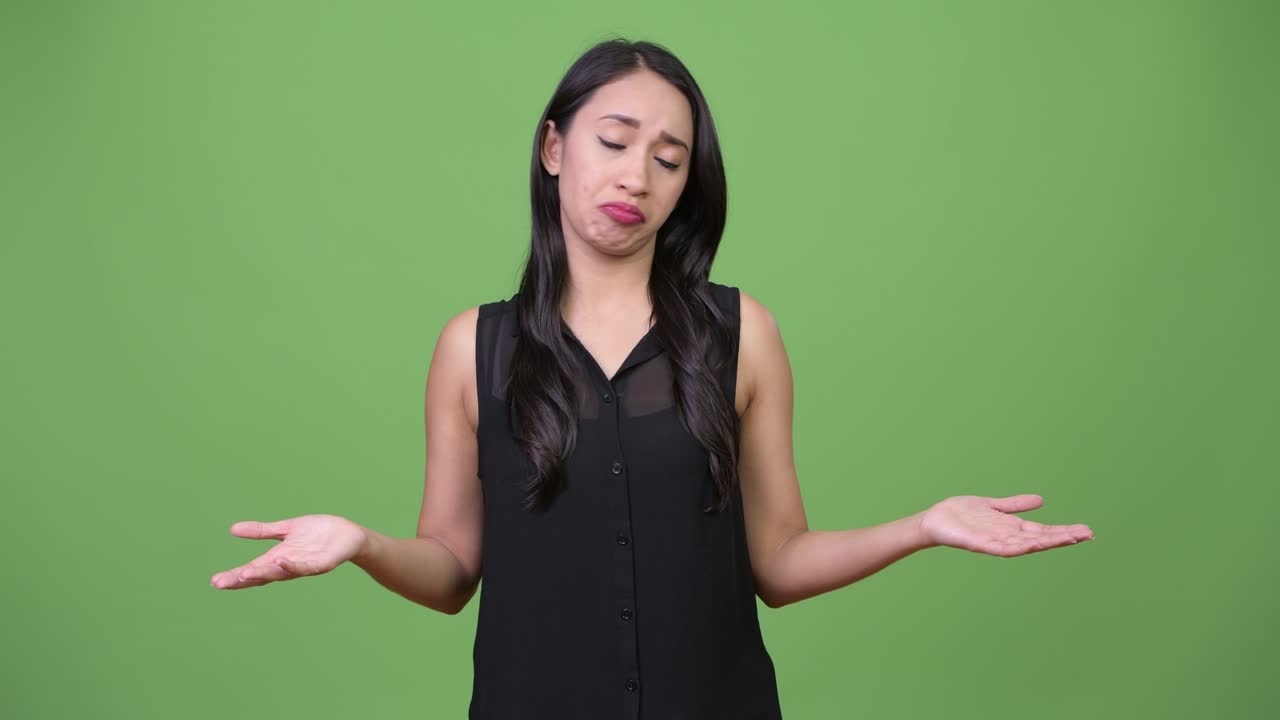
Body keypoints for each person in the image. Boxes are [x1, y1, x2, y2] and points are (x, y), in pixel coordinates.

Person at [210, 38, 1095, 719]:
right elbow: (450, 573)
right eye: (615, 140)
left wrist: (924, 526)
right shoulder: (470, 347)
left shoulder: (742, 333)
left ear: (686, 188)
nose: (637, 175)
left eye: (668, 159)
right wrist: (361, 544)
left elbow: (780, 563)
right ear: (554, 148)